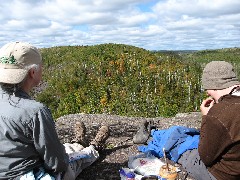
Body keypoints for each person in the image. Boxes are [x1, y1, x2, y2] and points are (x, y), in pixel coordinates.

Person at [0, 41, 109, 180]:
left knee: (65, 148)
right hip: (29, 174)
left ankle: (78, 143)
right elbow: (57, 163)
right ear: (32, 72)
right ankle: (94, 148)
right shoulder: (35, 111)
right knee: (70, 166)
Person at [134, 61, 240, 180]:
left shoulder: (219, 114)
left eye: (207, 88)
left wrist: (206, 117)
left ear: (213, 85)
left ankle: (150, 138)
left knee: (180, 145)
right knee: (183, 133)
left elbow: (206, 157)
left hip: (222, 174)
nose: (207, 92)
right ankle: (154, 134)